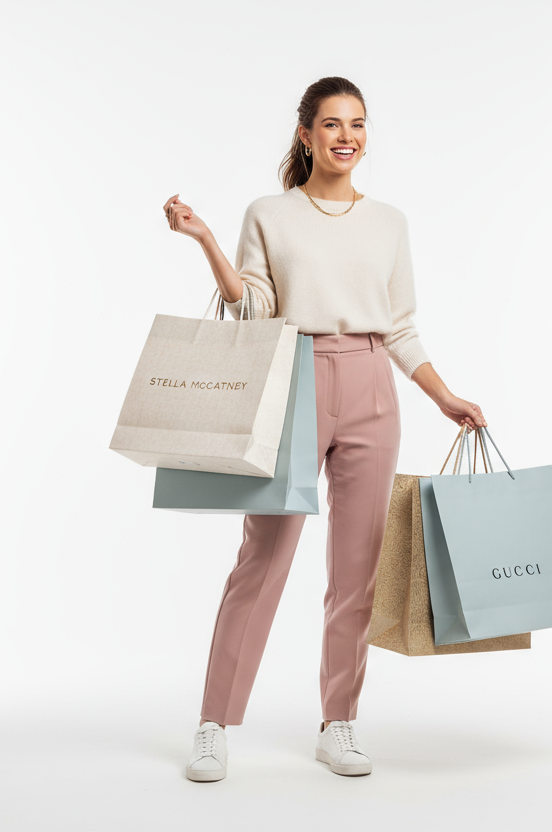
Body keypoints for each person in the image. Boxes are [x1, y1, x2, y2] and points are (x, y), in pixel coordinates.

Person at [162, 76, 488, 782]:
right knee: (264, 555)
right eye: (333, 124)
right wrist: (206, 240)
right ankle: (213, 723)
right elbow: (253, 307)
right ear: (306, 134)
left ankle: (338, 721)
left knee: (358, 569)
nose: (347, 136)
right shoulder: (270, 213)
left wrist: (443, 396)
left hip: (373, 384)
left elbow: (400, 327)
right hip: (294, 377)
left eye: (358, 124)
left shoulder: (389, 222)